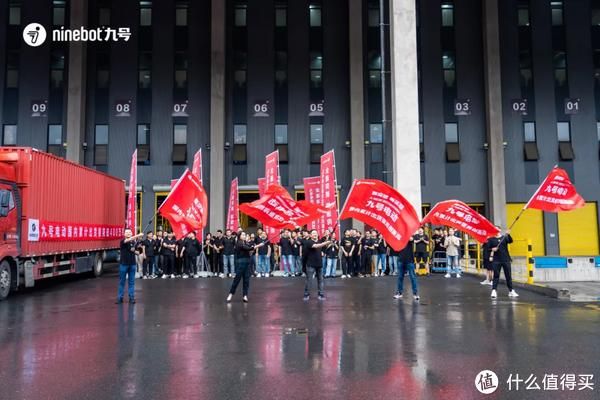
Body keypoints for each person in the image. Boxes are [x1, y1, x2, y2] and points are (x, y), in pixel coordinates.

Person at [227, 232, 265, 303]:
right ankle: (230, 294)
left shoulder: (246, 243)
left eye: (245, 235)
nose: (244, 236)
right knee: (236, 280)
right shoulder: (239, 243)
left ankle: (245, 295)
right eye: (243, 235)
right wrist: (258, 245)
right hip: (241, 263)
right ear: (239, 236)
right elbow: (248, 248)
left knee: (246, 280)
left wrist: (252, 251)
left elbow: (249, 252)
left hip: (247, 263)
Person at [116, 228, 144, 304]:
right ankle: (120, 298)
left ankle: (131, 298)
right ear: (124, 234)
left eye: (129, 232)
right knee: (122, 282)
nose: (128, 233)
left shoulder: (134, 242)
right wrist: (138, 235)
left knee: (131, 282)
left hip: (132, 264)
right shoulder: (123, 241)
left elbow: (139, 252)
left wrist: (134, 250)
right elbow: (128, 240)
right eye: (127, 232)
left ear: (131, 233)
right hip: (123, 264)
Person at [489, 228, 518, 298]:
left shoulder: (504, 237)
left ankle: (511, 290)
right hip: (496, 260)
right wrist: (492, 249)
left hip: (506, 259)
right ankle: (494, 290)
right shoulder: (491, 239)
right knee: (496, 276)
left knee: (508, 276)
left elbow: (510, 241)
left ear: (500, 230)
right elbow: (487, 248)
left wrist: (508, 234)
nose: (496, 231)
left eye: (497, 230)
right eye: (495, 230)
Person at [303, 229, 332, 301]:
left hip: (319, 264)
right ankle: (306, 294)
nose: (315, 234)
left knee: (320, 280)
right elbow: (316, 246)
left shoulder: (319, 241)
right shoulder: (308, 242)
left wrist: (323, 251)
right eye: (313, 233)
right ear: (310, 235)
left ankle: (321, 294)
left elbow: (323, 248)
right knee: (309, 280)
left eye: (316, 233)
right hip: (310, 264)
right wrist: (326, 242)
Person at [393, 235, 419, 301]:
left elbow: (412, 239)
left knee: (412, 277)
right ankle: (399, 293)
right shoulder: (399, 237)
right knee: (400, 277)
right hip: (401, 259)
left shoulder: (410, 235)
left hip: (409, 260)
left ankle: (415, 293)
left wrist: (406, 236)